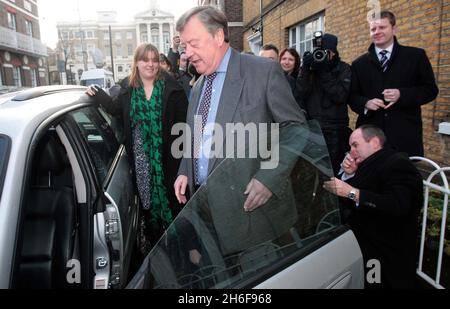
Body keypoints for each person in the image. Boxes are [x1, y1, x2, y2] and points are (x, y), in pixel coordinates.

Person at [174, 6, 308, 254]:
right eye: (184, 46)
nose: (187, 53)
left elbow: (296, 128)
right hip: (207, 211)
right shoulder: (197, 87)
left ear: (217, 36)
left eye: (193, 43)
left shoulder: (263, 71)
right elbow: (195, 135)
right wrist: (186, 170)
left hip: (253, 215)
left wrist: (269, 177)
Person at [86, 43, 189, 252]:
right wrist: (98, 95)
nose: (150, 64)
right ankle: (156, 246)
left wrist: (185, 163)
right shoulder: (127, 89)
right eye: (145, 60)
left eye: (154, 60)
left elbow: (184, 128)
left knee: (173, 203)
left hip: (168, 160)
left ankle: (179, 247)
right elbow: (116, 110)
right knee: (147, 203)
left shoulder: (172, 88)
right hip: (141, 158)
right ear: (137, 63)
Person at [323, 125, 423, 289]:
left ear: (375, 142)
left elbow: (398, 205)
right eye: (350, 147)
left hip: (387, 252)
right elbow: (354, 201)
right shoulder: (369, 164)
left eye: (355, 145)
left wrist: (351, 192)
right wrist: (349, 174)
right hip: (367, 246)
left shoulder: (399, 164)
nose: (351, 151)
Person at [349, 10, 439, 157]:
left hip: (405, 136)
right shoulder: (359, 64)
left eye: (382, 27)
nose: (377, 32)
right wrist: (366, 103)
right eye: (373, 29)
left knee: (402, 178)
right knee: (370, 179)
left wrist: (402, 94)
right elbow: (352, 96)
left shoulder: (416, 56)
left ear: (394, 29)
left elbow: (430, 90)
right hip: (370, 138)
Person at [296, 33, 352, 175]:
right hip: (312, 129)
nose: (322, 56)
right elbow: (300, 93)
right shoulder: (311, 69)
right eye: (319, 52)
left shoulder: (344, 69)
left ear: (334, 52)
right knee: (311, 172)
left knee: (333, 172)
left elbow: (340, 95)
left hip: (335, 131)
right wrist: (305, 69)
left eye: (327, 52)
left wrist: (323, 72)